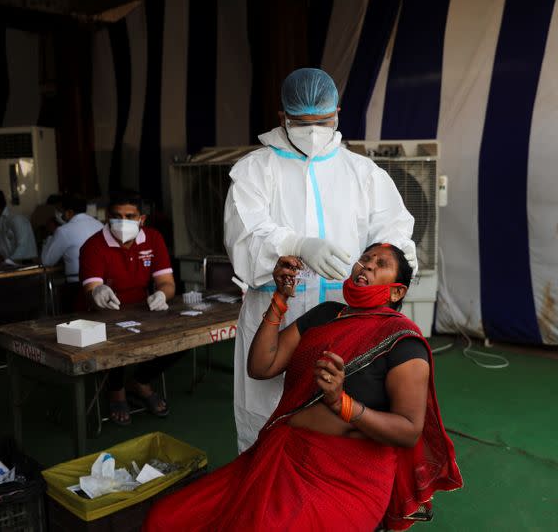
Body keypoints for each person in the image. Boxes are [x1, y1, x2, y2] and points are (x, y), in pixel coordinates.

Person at [144, 244, 462, 531]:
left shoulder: (402, 341)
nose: (366, 265)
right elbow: (261, 366)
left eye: (380, 264)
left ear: (396, 292)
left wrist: (342, 404)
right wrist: (280, 299)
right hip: (283, 454)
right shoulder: (326, 315)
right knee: (166, 517)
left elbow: (408, 430)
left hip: (347, 476)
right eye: (365, 258)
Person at [224, 67, 417, 451]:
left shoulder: (364, 174)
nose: (313, 131)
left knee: (344, 424)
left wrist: (376, 272)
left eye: (322, 122)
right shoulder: (254, 171)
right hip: (280, 315)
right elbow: (244, 239)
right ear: (283, 118)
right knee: (270, 424)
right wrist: (297, 243)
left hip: (350, 317)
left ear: (338, 114)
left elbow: (396, 241)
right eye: (302, 123)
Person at [79, 191, 177, 425]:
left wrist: (162, 294)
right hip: (103, 314)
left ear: (141, 219)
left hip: (143, 309)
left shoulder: (153, 239)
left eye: (130, 216)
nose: (123, 222)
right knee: (112, 337)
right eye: (117, 216)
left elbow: (167, 283)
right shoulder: (94, 245)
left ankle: (141, 381)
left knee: (181, 336)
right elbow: (92, 288)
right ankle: (116, 390)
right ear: (106, 216)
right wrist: (97, 292)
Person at [41, 195, 102, 311]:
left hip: (76, 286)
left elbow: (47, 261)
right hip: (101, 283)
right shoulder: (99, 225)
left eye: (60, 211)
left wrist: (49, 235)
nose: (59, 215)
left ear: (69, 212)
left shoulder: (64, 230)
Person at [0, 189, 38, 262]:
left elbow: (24, 247)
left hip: (25, 266)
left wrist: (8, 263)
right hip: (8, 267)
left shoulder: (16, 219)